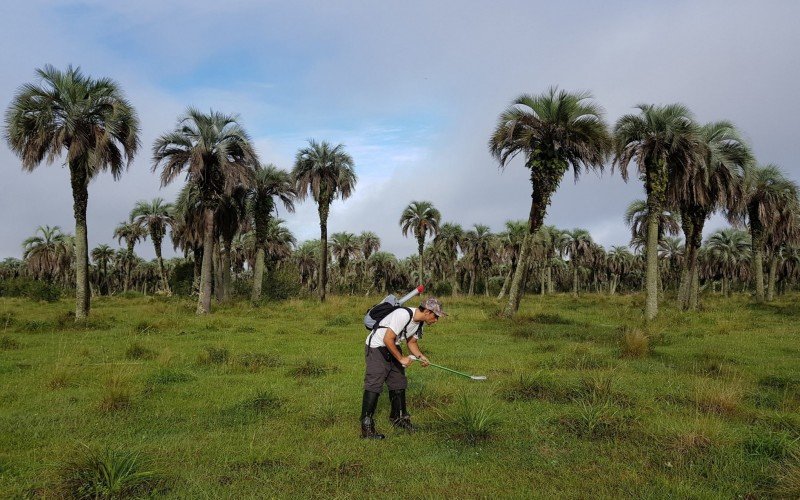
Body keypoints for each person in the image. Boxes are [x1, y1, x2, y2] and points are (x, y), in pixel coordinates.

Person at [359, 297, 446, 439]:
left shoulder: (420, 323)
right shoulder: (403, 314)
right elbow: (387, 338)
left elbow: (411, 343)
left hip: (393, 345)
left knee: (399, 382)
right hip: (377, 346)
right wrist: (401, 358)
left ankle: (399, 419)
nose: (436, 320)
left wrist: (420, 356)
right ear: (427, 312)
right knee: (374, 383)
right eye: (436, 316)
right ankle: (366, 427)